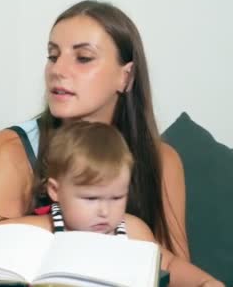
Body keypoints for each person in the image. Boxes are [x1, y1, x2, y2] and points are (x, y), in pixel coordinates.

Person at [0, 0, 215, 282]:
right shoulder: (9, 149)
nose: (57, 70)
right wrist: (66, 222)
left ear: (126, 77)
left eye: (83, 57)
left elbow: (170, 271)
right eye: (53, 56)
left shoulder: (163, 160)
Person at [38, 120, 223, 286]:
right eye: (91, 199)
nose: (104, 211)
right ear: (55, 190)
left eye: (117, 198)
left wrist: (204, 282)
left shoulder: (131, 230)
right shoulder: (44, 229)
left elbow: (168, 264)